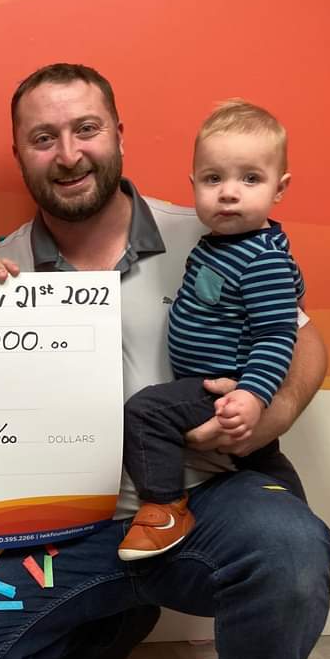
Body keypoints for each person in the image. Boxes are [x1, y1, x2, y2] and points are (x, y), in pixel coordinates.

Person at [0, 64, 330, 659]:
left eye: (86, 129)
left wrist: (275, 411)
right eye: (43, 138)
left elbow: (305, 339)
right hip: (66, 528)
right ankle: (112, 612)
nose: (70, 154)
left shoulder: (208, 232)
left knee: (289, 553)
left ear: (118, 135)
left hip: (207, 498)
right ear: (19, 153)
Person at [119, 100, 305, 560]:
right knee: (261, 458)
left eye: (250, 178)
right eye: (213, 178)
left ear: (279, 188)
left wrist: (254, 395)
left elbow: (278, 334)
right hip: (212, 381)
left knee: (146, 412)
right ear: (194, 183)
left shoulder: (262, 258)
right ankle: (303, 520)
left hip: (222, 385)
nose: (228, 193)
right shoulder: (225, 244)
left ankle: (163, 508)